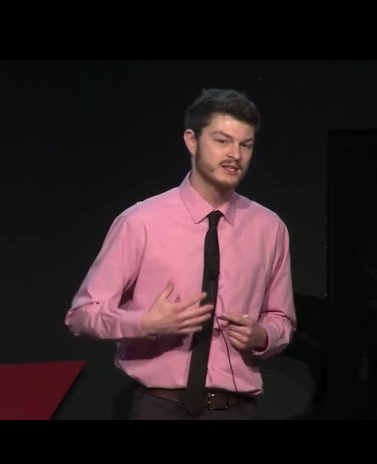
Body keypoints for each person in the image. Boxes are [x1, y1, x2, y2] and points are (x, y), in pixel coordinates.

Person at [65, 88, 297, 420]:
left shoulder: (269, 228)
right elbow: (82, 315)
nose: (235, 154)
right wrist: (145, 323)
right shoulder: (141, 222)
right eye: (222, 141)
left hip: (236, 409)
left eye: (245, 145)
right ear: (192, 141)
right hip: (160, 406)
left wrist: (262, 335)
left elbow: (282, 319)